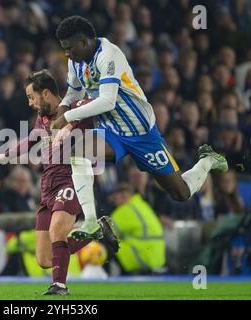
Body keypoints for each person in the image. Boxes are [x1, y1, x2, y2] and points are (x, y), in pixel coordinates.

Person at [51, 16, 228, 241]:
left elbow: (108, 101)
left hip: (142, 133)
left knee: (180, 192)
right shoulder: (75, 60)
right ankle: (90, 221)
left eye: (69, 48)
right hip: (111, 130)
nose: (66, 53)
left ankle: (208, 160)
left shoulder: (109, 55)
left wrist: (66, 116)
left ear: (85, 42)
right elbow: (74, 92)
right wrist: (63, 108)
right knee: (78, 153)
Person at [0, 70, 118, 295]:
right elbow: (31, 140)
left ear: (46, 93)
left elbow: (101, 102)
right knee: (44, 258)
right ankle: (96, 230)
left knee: (57, 229)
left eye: (32, 97)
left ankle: (59, 285)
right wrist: (5, 155)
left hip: (72, 180)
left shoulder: (77, 110)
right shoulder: (42, 118)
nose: (30, 103)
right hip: (47, 185)